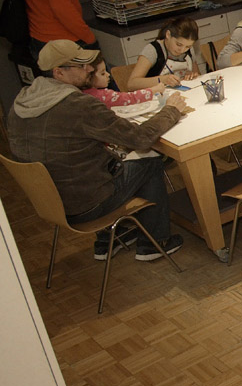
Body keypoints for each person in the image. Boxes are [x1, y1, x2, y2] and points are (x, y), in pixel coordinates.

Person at [7, 41, 187, 260]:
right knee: (149, 161)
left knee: (103, 164)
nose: (90, 69)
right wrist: (170, 111)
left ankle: (115, 236)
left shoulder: (22, 101)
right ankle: (155, 242)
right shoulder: (78, 105)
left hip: (52, 203)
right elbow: (140, 138)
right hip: (87, 204)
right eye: (82, 66)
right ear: (58, 72)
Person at [126, 17, 199, 90]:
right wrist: (162, 80)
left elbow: (197, 74)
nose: (182, 50)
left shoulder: (189, 50)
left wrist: (192, 75)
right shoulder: (153, 50)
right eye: (178, 44)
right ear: (168, 35)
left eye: (188, 46)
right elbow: (131, 84)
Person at [84, 55, 164, 107]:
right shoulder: (102, 96)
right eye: (102, 73)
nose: (108, 74)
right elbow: (128, 98)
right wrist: (153, 90)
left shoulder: (83, 92)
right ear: (89, 77)